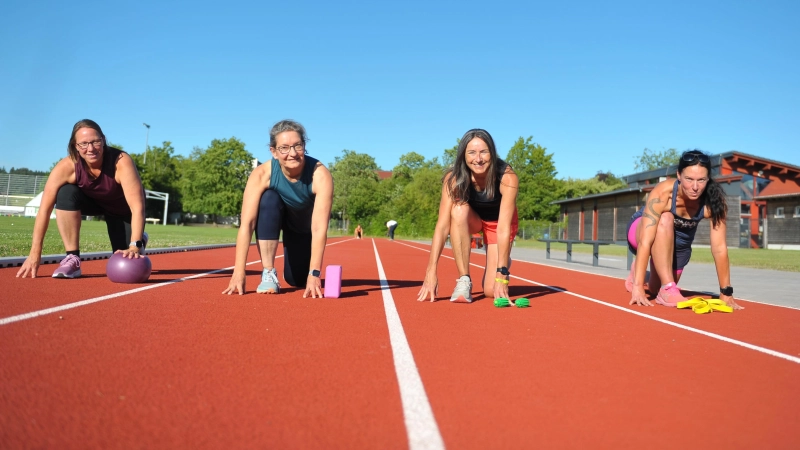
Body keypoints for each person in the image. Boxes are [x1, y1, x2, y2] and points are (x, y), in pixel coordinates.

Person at [16, 119, 148, 279]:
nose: (90, 149)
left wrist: (135, 245)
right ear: (75, 146)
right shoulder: (66, 167)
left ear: (104, 140)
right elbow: (44, 210)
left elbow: (137, 207)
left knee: (124, 258)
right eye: (83, 144)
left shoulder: (121, 161)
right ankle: (72, 258)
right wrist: (34, 254)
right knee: (65, 192)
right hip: (91, 203)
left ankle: (140, 238)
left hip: (120, 211)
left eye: (95, 142)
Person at [222, 120, 333, 297]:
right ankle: (268, 272)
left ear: (304, 146)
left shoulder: (319, 174)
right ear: (274, 151)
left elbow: (319, 228)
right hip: (274, 218)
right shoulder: (261, 174)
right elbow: (247, 224)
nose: (292, 153)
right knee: (268, 198)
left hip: (303, 231)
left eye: (298, 146)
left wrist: (314, 273)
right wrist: (239, 271)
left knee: (296, 280)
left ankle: (300, 271)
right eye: (284, 148)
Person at [625, 149, 743, 310]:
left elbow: (719, 248)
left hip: (680, 242)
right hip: (642, 231)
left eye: (701, 180)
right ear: (679, 175)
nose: (695, 187)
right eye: (689, 179)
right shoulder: (664, 193)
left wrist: (726, 292)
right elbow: (645, 241)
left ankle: (644, 274)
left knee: (654, 289)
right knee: (666, 218)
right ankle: (663, 283)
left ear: (708, 179)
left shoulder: (714, 203)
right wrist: (638, 287)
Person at [417, 129, 519, 303]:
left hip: (498, 225)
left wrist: (502, 273)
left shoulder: (506, 177)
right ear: (463, 155)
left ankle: (503, 261)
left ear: (492, 153)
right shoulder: (454, 178)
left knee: (489, 291)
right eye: (471, 153)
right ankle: (464, 280)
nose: (478, 159)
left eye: (483, 152)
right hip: (473, 220)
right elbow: (442, 226)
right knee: (457, 210)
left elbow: (503, 228)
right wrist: (430, 270)